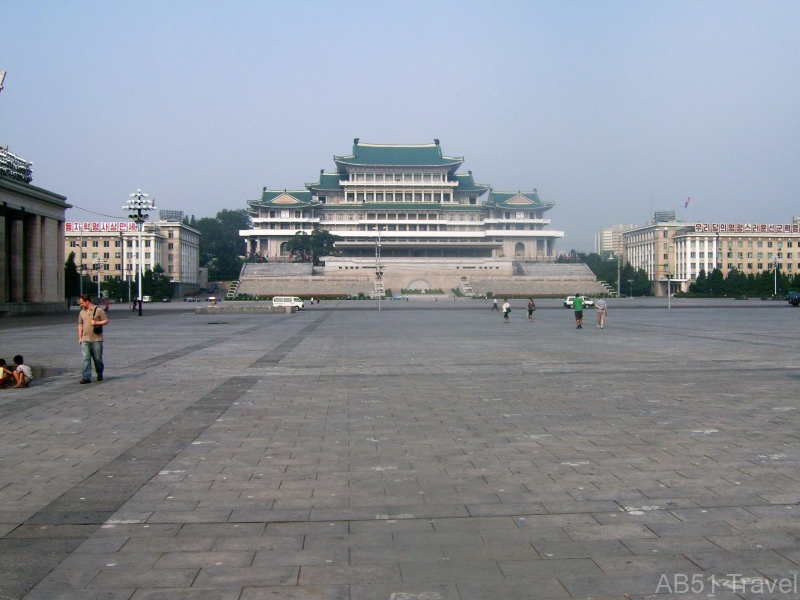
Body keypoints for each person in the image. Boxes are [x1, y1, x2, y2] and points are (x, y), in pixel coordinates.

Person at [78, 294, 108, 384]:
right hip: (85, 338)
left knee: (97, 358)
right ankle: (86, 377)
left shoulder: (98, 310)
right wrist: (80, 337)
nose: (81, 305)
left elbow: (106, 321)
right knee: (85, 358)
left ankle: (99, 373)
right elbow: (80, 324)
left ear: (87, 301)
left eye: (82, 303)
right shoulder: (81, 312)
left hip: (96, 339)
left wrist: (96, 322)